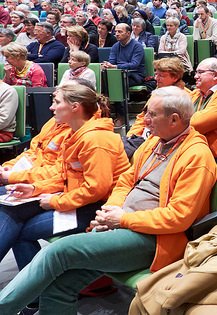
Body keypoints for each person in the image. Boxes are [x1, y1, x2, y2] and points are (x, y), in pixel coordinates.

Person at [0, 86, 217, 315]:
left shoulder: (197, 156)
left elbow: (178, 218)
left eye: (151, 114)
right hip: (118, 223)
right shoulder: (154, 142)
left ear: (174, 119)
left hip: (156, 240)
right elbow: (125, 180)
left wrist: (123, 219)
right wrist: (112, 209)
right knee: (59, 285)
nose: (144, 119)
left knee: (57, 251)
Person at [0, 83, 130, 275]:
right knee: (12, 214)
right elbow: (63, 174)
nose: (51, 107)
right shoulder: (73, 134)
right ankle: (36, 296)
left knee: (17, 227)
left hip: (97, 209)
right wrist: (35, 189)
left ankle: (38, 294)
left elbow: (96, 190)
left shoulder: (96, 140)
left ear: (75, 107)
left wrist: (54, 201)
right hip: (76, 199)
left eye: (56, 102)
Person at [123, 57, 191, 157]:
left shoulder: (186, 98)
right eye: (156, 74)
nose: (156, 78)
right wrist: (132, 137)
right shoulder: (158, 92)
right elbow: (142, 118)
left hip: (160, 143)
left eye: (161, 76)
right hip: (143, 138)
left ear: (175, 77)